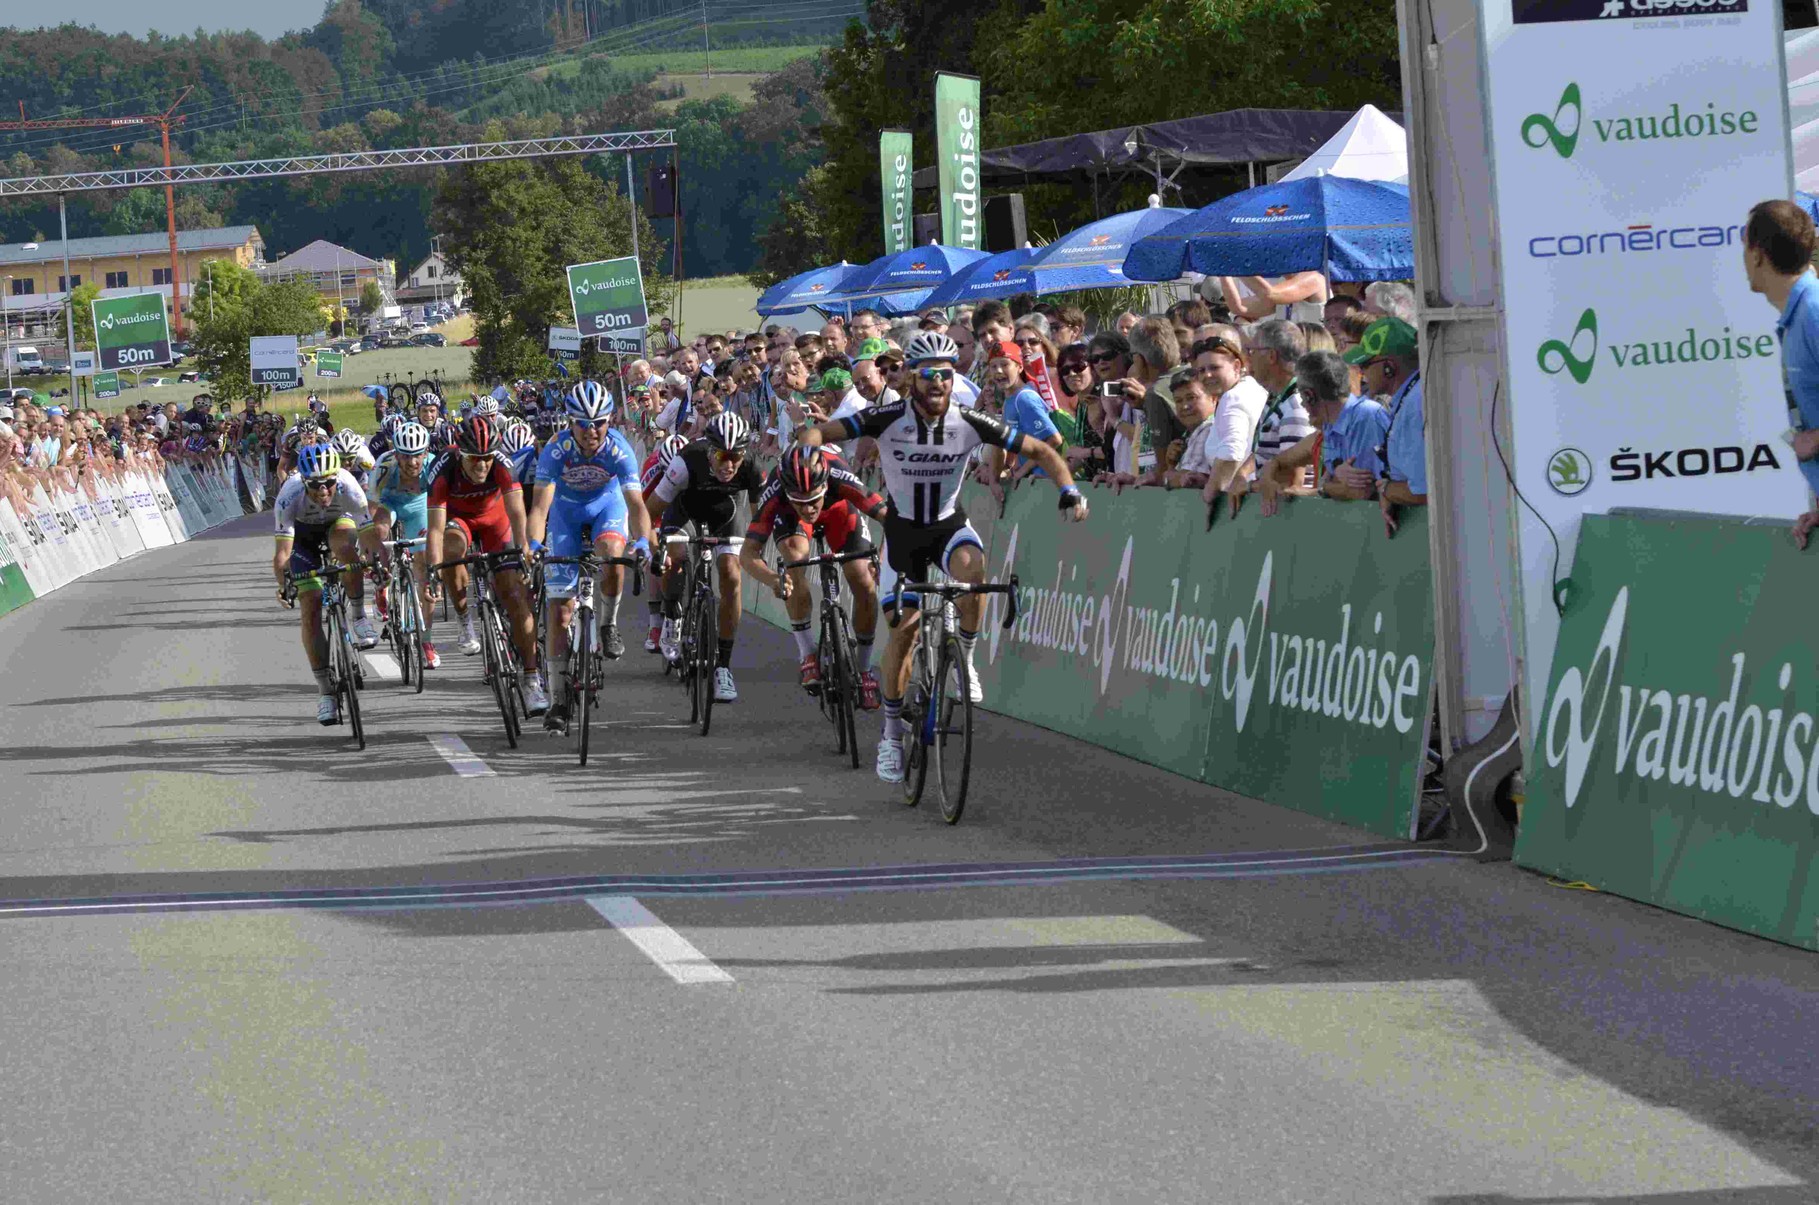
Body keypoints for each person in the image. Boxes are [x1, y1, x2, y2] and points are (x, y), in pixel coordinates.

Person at [797, 330, 1090, 784]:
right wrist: (810, 448)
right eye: (929, 374)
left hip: (949, 523)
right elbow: (821, 430)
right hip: (903, 533)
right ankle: (892, 735)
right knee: (904, 634)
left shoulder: (969, 420)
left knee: (975, 569)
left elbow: (1040, 449)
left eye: (948, 375)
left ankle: (966, 661)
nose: (939, 383)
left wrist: (1069, 489)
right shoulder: (887, 416)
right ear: (913, 377)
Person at [526, 380, 651, 734]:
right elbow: (539, 507)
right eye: (583, 422)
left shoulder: (619, 449)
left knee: (613, 553)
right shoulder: (555, 449)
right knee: (560, 610)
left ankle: (608, 623)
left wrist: (642, 542)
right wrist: (534, 545)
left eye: (600, 422)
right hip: (565, 514)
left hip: (604, 509)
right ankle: (558, 701)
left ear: (610, 421)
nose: (592, 430)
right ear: (570, 422)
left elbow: (637, 505)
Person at [739, 444, 889, 705]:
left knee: (864, 581)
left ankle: (865, 670)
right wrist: (773, 579)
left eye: (813, 500)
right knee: (795, 560)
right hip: (790, 520)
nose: (808, 508)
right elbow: (748, 554)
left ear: (825, 486)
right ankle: (807, 652)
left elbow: (891, 518)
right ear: (788, 492)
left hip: (839, 512)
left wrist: (886, 558)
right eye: (801, 501)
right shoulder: (775, 491)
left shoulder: (838, 473)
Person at [425, 415, 546, 715]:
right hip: (459, 522)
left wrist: (523, 551)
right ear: (460, 455)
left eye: (487, 459)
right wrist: (432, 572)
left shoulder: (503, 464)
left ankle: (532, 681)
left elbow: (518, 513)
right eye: (474, 459)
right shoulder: (442, 469)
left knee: (517, 598)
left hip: (496, 522)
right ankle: (465, 618)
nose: (482, 466)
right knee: (451, 549)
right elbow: (436, 531)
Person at [645, 412, 764, 703]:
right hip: (685, 509)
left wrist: (754, 547)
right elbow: (650, 511)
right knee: (678, 554)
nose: (729, 464)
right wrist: (652, 544)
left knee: (731, 575)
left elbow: (761, 517)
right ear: (710, 450)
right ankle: (672, 614)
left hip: (726, 513)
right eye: (722, 456)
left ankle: (723, 666)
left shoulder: (750, 466)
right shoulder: (686, 461)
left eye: (736, 456)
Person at [272, 444, 370, 725]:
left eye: (329, 482)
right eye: (316, 485)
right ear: (303, 481)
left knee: (344, 548)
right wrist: (284, 585)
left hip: (338, 524)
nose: (324, 489)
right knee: (311, 606)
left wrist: (377, 558)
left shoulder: (349, 485)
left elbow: (368, 531)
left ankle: (359, 615)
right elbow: (282, 554)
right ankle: (326, 692)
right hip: (303, 538)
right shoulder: (289, 495)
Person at [1744, 200, 1819, 548]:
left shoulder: (1814, 311)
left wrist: (1814, 438)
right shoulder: (1798, 314)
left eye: (1744, 243)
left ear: (1757, 254)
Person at [1254, 350, 1391, 515]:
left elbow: (1362, 492)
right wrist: (1267, 480)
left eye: (1302, 395)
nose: (1302, 403)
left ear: (1309, 395)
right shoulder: (1329, 423)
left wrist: (1324, 485)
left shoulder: (1367, 418)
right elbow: (1277, 461)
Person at [362, 420, 440, 668]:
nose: (412, 462)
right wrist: (373, 552)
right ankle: (382, 582)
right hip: (389, 504)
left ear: (425, 452)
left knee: (424, 571)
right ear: (396, 454)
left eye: (417, 455)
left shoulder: (434, 466)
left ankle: (426, 641)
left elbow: (442, 507)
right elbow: (371, 510)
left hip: (420, 505)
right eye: (405, 456)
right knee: (381, 529)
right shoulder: (384, 466)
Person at [1339, 316, 1425, 538]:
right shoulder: (1412, 399)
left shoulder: (1415, 404)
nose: (1361, 372)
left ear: (1389, 367)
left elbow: (1423, 491)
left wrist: (1386, 490)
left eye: (1366, 364)